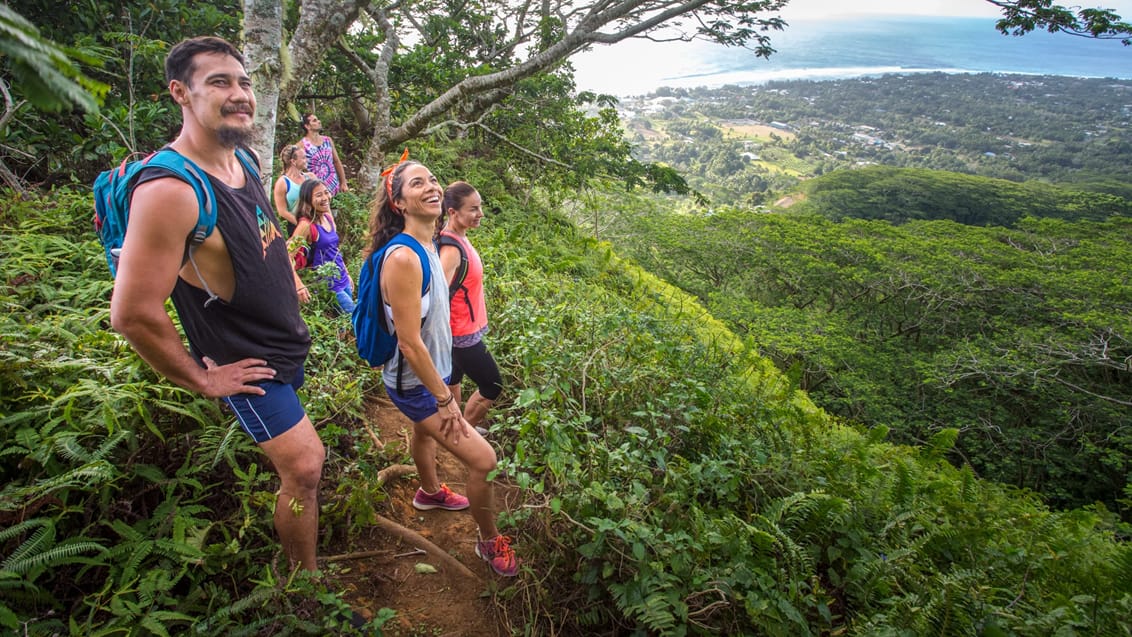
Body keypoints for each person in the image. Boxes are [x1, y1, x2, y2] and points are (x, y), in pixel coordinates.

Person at [109, 36, 323, 573]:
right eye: (220, 82)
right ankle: (305, 588)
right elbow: (132, 312)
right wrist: (203, 380)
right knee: (305, 467)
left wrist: (286, 280)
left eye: (244, 82)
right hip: (247, 363)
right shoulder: (170, 191)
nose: (240, 94)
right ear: (180, 92)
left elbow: (256, 234)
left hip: (280, 342)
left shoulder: (242, 158)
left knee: (295, 466)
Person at [363, 155, 519, 577]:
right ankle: (489, 542)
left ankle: (429, 491)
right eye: (417, 184)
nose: (431, 187)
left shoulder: (431, 244)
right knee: (484, 461)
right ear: (399, 202)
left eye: (432, 179)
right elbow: (411, 343)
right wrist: (445, 398)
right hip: (414, 383)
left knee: (422, 434)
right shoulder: (403, 258)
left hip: (426, 373)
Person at [439, 181, 503, 437]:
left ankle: (455, 428)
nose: (480, 214)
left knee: (454, 378)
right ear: (453, 211)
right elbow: (437, 294)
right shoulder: (451, 250)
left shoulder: (458, 238)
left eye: (480, 207)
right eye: (473, 209)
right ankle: (466, 435)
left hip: (462, 327)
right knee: (492, 384)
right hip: (461, 332)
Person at [291, 178, 355, 314]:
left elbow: (334, 250)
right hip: (327, 285)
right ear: (307, 199)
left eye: (326, 193)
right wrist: (298, 285)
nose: (325, 198)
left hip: (342, 279)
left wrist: (347, 273)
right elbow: (287, 256)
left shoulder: (328, 217)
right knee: (354, 318)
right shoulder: (306, 225)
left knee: (343, 325)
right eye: (319, 195)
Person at [298, 112, 348, 196]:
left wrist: (343, 182)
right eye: (314, 120)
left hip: (333, 186)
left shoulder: (327, 140)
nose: (319, 121)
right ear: (307, 126)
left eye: (317, 119)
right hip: (315, 189)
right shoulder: (301, 145)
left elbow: (336, 161)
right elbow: (299, 170)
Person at [272, 143, 315, 233]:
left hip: (315, 221)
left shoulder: (310, 177)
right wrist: (302, 225)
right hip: (295, 225)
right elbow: (282, 211)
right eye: (303, 158)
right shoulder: (283, 182)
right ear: (293, 161)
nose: (306, 160)